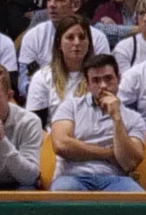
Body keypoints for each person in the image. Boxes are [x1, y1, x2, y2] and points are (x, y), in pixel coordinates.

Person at [44, 52, 140, 191]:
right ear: (87, 84)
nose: (103, 85)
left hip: (116, 179)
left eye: (108, 79)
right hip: (73, 176)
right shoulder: (70, 106)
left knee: (137, 198)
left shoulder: (134, 118)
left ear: (118, 79)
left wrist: (117, 118)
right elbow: (61, 145)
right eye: (96, 80)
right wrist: (108, 154)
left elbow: (130, 163)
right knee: (63, 190)